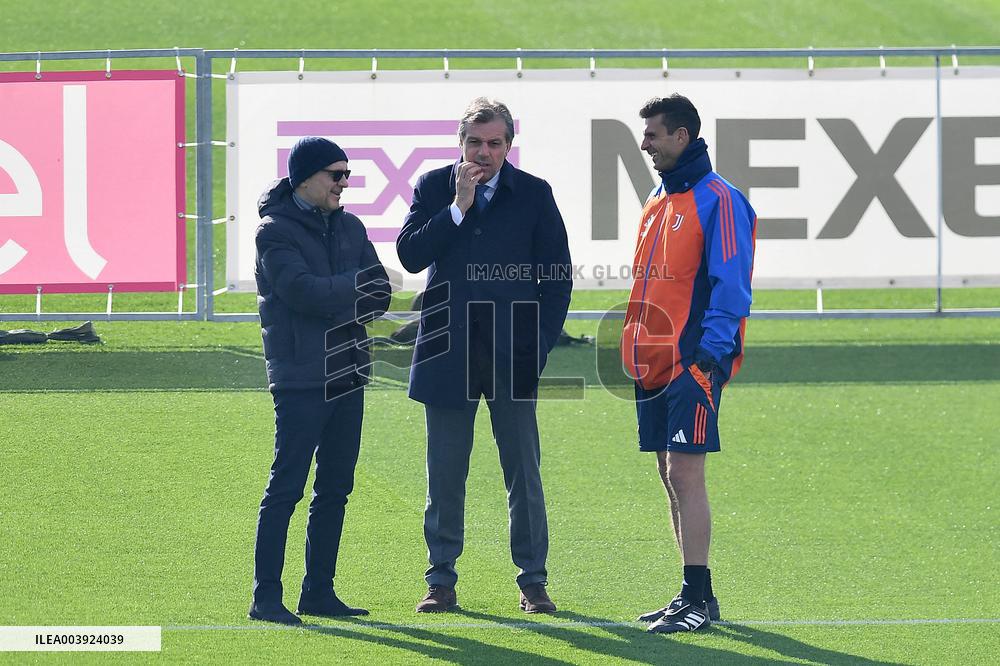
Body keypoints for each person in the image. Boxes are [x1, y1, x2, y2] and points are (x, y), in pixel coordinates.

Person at [396, 97, 572, 614]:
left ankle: (533, 581)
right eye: (475, 142)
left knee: (523, 474)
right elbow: (410, 255)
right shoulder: (434, 188)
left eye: (495, 143)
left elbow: (557, 278)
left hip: (513, 355)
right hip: (446, 352)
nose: (485, 152)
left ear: (509, 146)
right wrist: (459, 207)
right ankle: (441, 581)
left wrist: (537, 346)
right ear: (461, 143)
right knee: (445, 475)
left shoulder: (535, 194)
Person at [620, 95, 756, 634]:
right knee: (667, 472)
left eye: (652, 134)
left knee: (685, 471)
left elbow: (732, 285)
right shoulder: (658, 195)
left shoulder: (720, 199)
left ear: (681, 135)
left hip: (691, 363)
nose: (645, 143)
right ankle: (698, 593)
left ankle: (694, 598)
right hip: (651, 361)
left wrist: (708, 357)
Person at [249, 137, 391, 625]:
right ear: (304, 178)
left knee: (335, 487)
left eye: (347, 174)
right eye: (335, 173)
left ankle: (318, 592)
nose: (343, 182)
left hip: (348, 372)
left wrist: (342, 294)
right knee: (286, 487)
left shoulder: (350, 225)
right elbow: (300, 292)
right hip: (302, 380)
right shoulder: (273, 232)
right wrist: (352, 289)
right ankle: (266, 597)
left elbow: (382, 293)